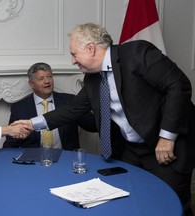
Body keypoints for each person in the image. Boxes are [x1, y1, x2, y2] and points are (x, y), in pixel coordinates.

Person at [13, 23, 195, 216]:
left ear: (91, 49)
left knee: (170, 205)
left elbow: (178, 85)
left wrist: (167, 137)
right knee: (131, 200)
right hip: (132, 150)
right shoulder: (92, 79)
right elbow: (73, 109)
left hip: (168, 147)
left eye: (74, 54)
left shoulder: (136, 53)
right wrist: (32, 123)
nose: (73, 61)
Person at [3, 62, 96, 150]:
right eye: (41, 78)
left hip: (66, 158)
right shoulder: (19, 108)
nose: (47, 81)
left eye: (49, 77)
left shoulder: (70, 101)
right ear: (31, 84)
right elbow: (11, 142)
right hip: (34, 161)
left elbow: (92, 125)